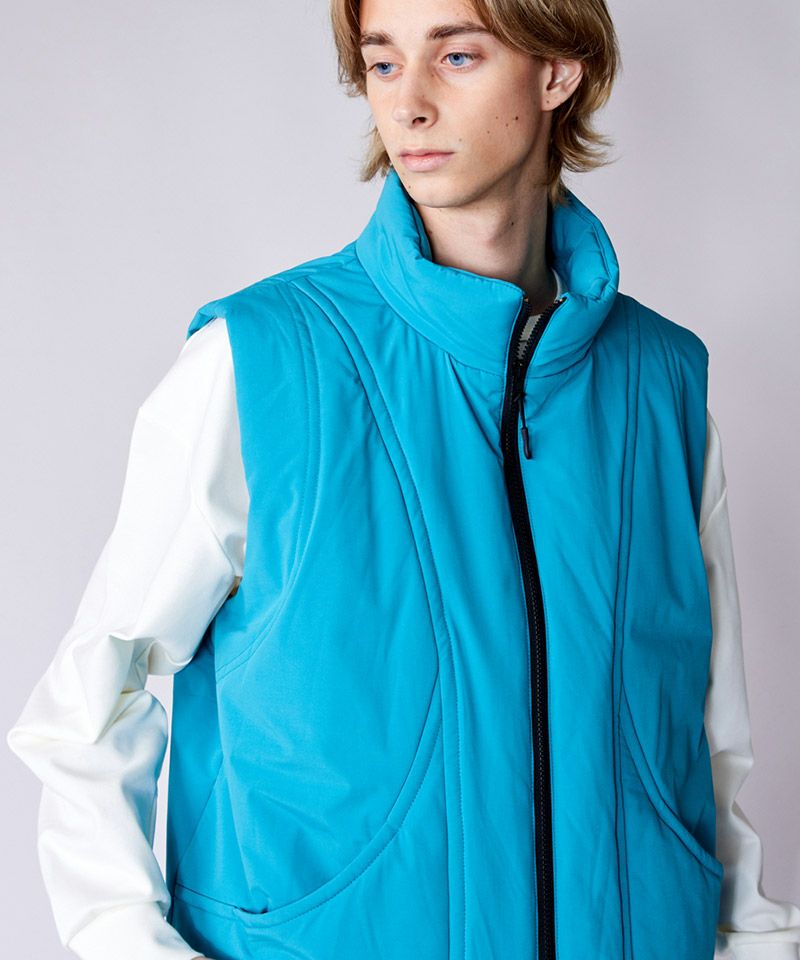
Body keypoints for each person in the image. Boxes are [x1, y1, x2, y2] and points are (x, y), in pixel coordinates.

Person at [7, 0, 800, 958]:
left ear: (559, 72)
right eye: (384, 64)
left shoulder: (660, 384)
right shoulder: (259, 362)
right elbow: (89, 708)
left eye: (457, 57)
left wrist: (756, 941)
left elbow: (710, 741)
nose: (408, 104)